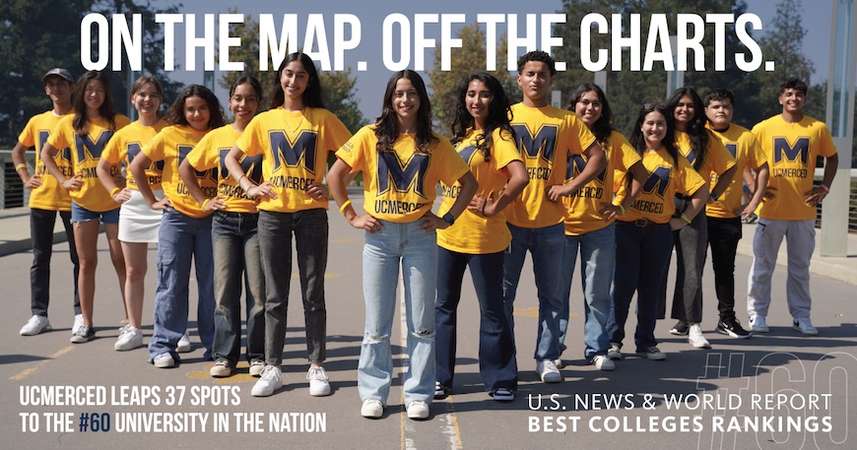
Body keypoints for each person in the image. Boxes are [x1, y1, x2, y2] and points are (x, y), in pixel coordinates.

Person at [328, 70, 477, 420]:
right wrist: (351, 214)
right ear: (389, 99)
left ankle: (418, 393)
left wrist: (447, 217)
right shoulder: (370, 136)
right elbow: (335, 175)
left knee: (422, 322)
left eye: (411, 93)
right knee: (377, 323)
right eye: (398, 94)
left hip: (421, 237)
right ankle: (374, 392)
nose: (404, 100)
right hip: (379, 237)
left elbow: (467, 183)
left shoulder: (435, 144)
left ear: (421, 98)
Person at [226, 53, 352, 397]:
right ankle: (273, 365)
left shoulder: (322, 118)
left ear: (309, 81)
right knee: (274, 295)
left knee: (313, 293)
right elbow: (231, 158)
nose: (293, 81)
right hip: (272, 215)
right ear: (280, 78)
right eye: (288, 74)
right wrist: (250, 187)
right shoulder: (265, 120)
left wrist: (329, 185)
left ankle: (316, 365)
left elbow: (354, 156)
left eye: (300, 75)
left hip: (311, 214)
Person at [503, 51, 605, 383]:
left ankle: (546, 357)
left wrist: (570, 185)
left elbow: (597, 157)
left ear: (551, 80)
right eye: (529, 73)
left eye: (542, 74)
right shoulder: (505, 116)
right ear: (519, 78)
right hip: (509, 222)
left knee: (552, 296)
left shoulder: (566, 120)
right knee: (504, 297)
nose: (536, 79)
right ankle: (506, 360)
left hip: (550, 223)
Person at [434, 73, 528, 402]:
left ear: (495, 99)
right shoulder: (460, 137)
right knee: (444, 307)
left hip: (484, 238)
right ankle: (440, 378)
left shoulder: (499, 135)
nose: (477, 100)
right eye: (472, 94)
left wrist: (495, 205)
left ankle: (500, 379)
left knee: (492, 310)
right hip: (448, 235)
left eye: (485, 94)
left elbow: (520, 177)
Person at [556, 83, 648, 371]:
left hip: (600, 226)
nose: (589, 108)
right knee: (556, 293)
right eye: (584, 102)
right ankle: (553, 349)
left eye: (595, 103)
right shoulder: (562, 134)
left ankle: (596, 348)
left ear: (602, 108)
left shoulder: (614, 140)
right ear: (574, 106)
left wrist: (622, 205)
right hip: (561, 225)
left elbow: (641, 174)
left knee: (597, 292)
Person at [130, 84, 224, 368]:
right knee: (171, 283)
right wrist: (152, 201)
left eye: (202, 108)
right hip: (177, 218)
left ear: (212, 110)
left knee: (212, 286)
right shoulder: (169, 134)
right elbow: (137, 166)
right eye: (191, 108)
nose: (196, 113)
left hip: (212, 220)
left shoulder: (219, 135)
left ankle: (213, 344)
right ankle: (162, 346)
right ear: (182, 110)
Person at [181, 76, 266, 378]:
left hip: (259, 222)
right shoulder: (217, 137)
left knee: (258, 293)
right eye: (238, 98)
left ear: (259, 103)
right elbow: (186, 168)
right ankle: (225, 357)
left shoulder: (266, 133)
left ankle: (258, 355)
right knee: (225, 292)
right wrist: (204, 201)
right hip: (225, 222)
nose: (243, 105)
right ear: (230, 102)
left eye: (250, 99)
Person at [610, 103, 708, 361]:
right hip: (626, 229)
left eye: (661, 124)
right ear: (641, 125)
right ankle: (613, 341)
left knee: (650, 288)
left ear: (667, 128)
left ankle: (646, 342)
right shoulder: (627, 152)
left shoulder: (674, 158)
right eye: (650, 123)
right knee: (622, 287)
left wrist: (684, 218)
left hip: (658, 232)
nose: (655, 128)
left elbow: (700, 190)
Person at [41, 70, 130, 343]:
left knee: (120, 261)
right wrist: (63, 180)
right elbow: (46, 153)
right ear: (81, 92)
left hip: (114, 200)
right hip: (82, 202)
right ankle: (86, 322)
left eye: (99, 90)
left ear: (106, 95)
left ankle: (129, 319)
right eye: (89, 89)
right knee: (86, 262)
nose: (94, 95)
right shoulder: (69, 122)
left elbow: (137, 153)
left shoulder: (119, 122)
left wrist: (125, 176)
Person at [747, 78, 838, 335]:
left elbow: (832, 158)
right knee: (762, 267)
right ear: (780, 98)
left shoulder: (817, 128)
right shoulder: (763, 128)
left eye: (798, 94)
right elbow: (745, 160)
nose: (793, 98)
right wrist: (755, 187)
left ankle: (801, 316)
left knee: (800, 269)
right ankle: (757, 315)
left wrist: (825, 187)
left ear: (804, 99)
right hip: (770, 212)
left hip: (803, 212)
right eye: (788, 94)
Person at [96, 75, 165, 351]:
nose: (147, 100)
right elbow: (103, 167)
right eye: (142, 94)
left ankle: (172, 329)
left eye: (153, 95)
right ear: (133, 98)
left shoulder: (169, 130)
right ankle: (134, 328)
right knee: (134, 270)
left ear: (160, 100)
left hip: (164, 202)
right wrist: (114, 191)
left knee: (168, 271)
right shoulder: (123, 134)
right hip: (134, 205)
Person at [664, 87, 736, 349]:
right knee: (654, 271)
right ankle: (646, 328)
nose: (684, 110)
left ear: (697, 110)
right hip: (660, 203)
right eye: (680, 105)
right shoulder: (663, 132)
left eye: (690, 105)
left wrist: (714, 193)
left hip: (693, 206)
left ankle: (694, 325)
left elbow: (730, 168)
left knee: (692, 269)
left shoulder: (706, 138)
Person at [14, 68, 81, 337]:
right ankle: (39, 314)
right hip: (42, 197)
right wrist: (25, 176)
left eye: (61, 84)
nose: (56, 89)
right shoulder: (37, 121)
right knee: (40, 257)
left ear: (71, 87)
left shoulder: (80, 119)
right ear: (46, 90)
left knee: (80, 259)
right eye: (51, 85)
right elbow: (18, 151)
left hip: (74, 198)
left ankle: (81, 313)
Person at [703, 89, 768, 339]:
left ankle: (726, 318)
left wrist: (755, 201)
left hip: (728, 215)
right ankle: (687, 319)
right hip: (698, 213)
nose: (722, 110)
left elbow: (762, 168)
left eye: (726, 106)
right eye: (716, 106)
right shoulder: (699, 134)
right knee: (692, 269)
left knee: (724, 270)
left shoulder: (745, 136)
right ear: (707, 111)